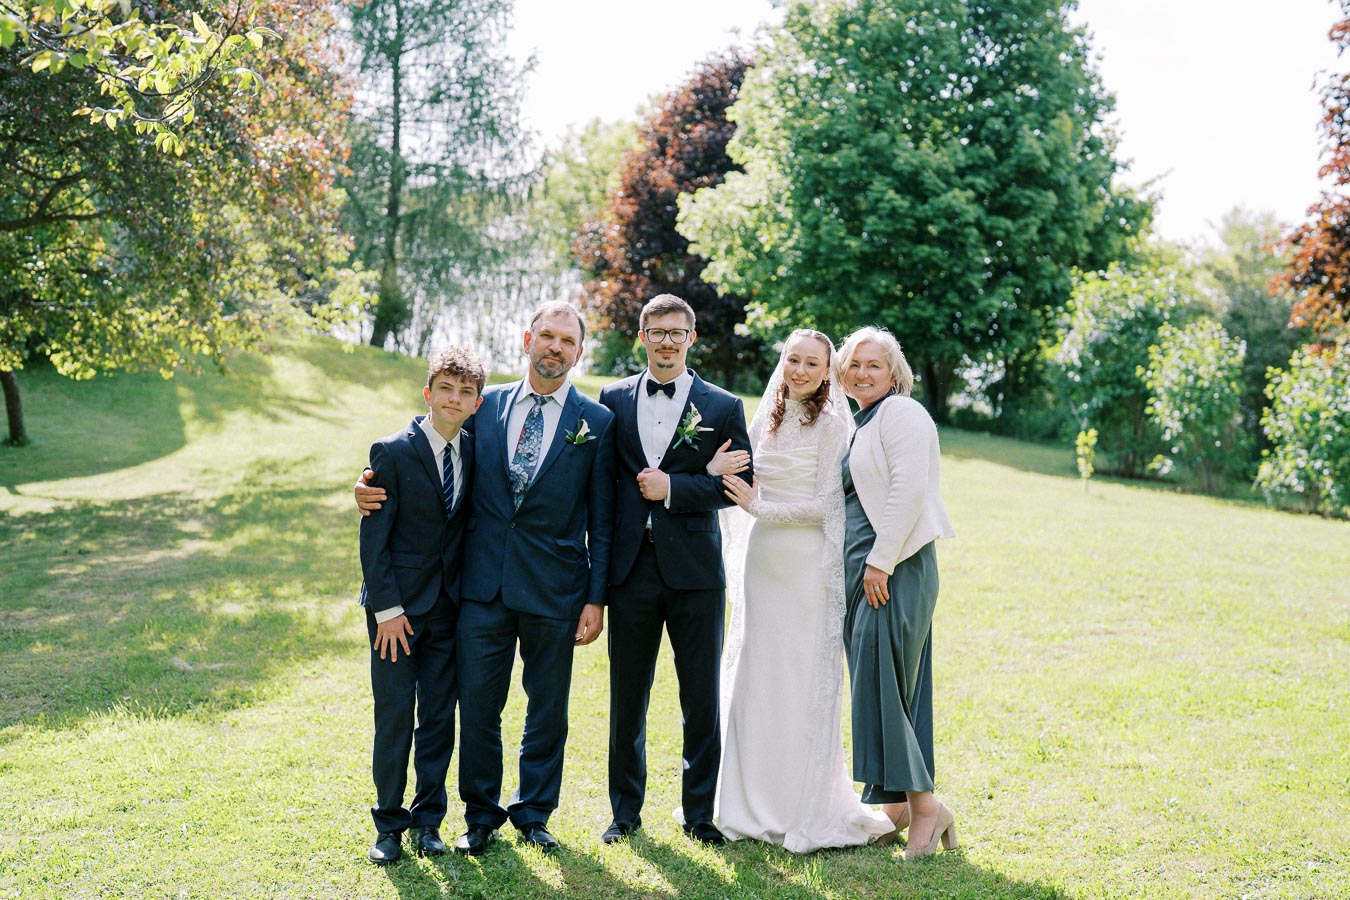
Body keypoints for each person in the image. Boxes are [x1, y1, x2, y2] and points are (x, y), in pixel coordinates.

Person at [356, 301, 616, 856]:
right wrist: (366, 485)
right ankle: (479, 814)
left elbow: (603, 518)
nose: (555, 347)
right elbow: (424, 453)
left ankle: (534, 812)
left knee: (548, 709)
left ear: (579, 351)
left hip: (556, 590)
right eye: (546, 335)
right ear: (526, 339)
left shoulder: (597, 424)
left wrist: (596, 597)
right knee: (475, 708)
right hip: (478, 590)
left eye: (567, 341)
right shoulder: (485, 405)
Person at [709, 330, 894, 852]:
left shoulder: (836, 426)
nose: (800, 370)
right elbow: (740, 474)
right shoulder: (765, 415)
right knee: (756, 669)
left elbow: (826, 508)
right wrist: (716, 474)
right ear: (782, 361)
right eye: (793, 359)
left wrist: (759, 508)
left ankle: (796, 804)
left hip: (804, 563)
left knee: (796, 674)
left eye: (812, 363)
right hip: (762, 559)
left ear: (827, 370)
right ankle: (743, 799)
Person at [596, 294, 753, 846]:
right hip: (630, 571)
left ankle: (700, 814)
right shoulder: (611, 399)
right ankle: (623, 812)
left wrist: (676, 489)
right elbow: (605, 483)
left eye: (676, 332)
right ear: (642, 337)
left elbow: (740, 488)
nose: (666, 341)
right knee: (627, 697)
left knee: (700, 697)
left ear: (691, 339)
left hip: (696, 575)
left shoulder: (723, 406)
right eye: (656, 332)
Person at [356, 346, 485, 865]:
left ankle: (428, 821)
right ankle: (389, 824)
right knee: (393, 716)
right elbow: (374, 539)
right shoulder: (391, 450)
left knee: (437, 718)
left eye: (466, 392)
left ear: (477, 403)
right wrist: (387, 610)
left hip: (449, 610)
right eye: (446, 390)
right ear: (428, 393)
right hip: (395, 614)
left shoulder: (477, 450)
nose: (455, 400)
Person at [835, 326, 958, 859]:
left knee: (886, 687)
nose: (863, 373)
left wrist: (880, 563)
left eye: (874, 365)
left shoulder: (903, 413)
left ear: (894, 373)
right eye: (854, 364)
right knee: (885, 686)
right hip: (864, 572)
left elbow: (909, 490)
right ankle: (899, 806)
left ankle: (926, 807)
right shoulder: (860, 421)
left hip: (895, 568)